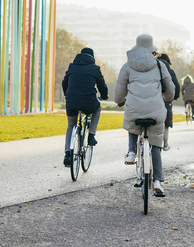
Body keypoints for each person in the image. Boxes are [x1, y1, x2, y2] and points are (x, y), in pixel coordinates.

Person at [115, 34, 175, 196]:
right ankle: (157, 181)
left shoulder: (127, 66)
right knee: (155, 144)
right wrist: (167, 100)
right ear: (152, 49)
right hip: (156, 110)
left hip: (134, 108)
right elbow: (170, 87)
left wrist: (119, 100)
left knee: (132, 121)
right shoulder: (160, 65)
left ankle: (131, 152)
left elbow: (120, 88)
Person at [62, 47, 108, 167]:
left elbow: (64, 83)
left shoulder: (72, 66)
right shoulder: (95, 68)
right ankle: (91, 135)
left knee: (71, 125)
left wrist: (67, 95)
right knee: (97, 109)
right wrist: (104, 96)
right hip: (89, 101)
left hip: (71, 101)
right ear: (92, 57)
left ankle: (67, 153)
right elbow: (102, 85)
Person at [157, 53, 180, 151]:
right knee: (166, 121)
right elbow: (176, 86)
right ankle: (165, 143)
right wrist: (175, 97)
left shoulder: (154, 68)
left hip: (154, 97)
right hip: (166, 98)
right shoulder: (170, 71)